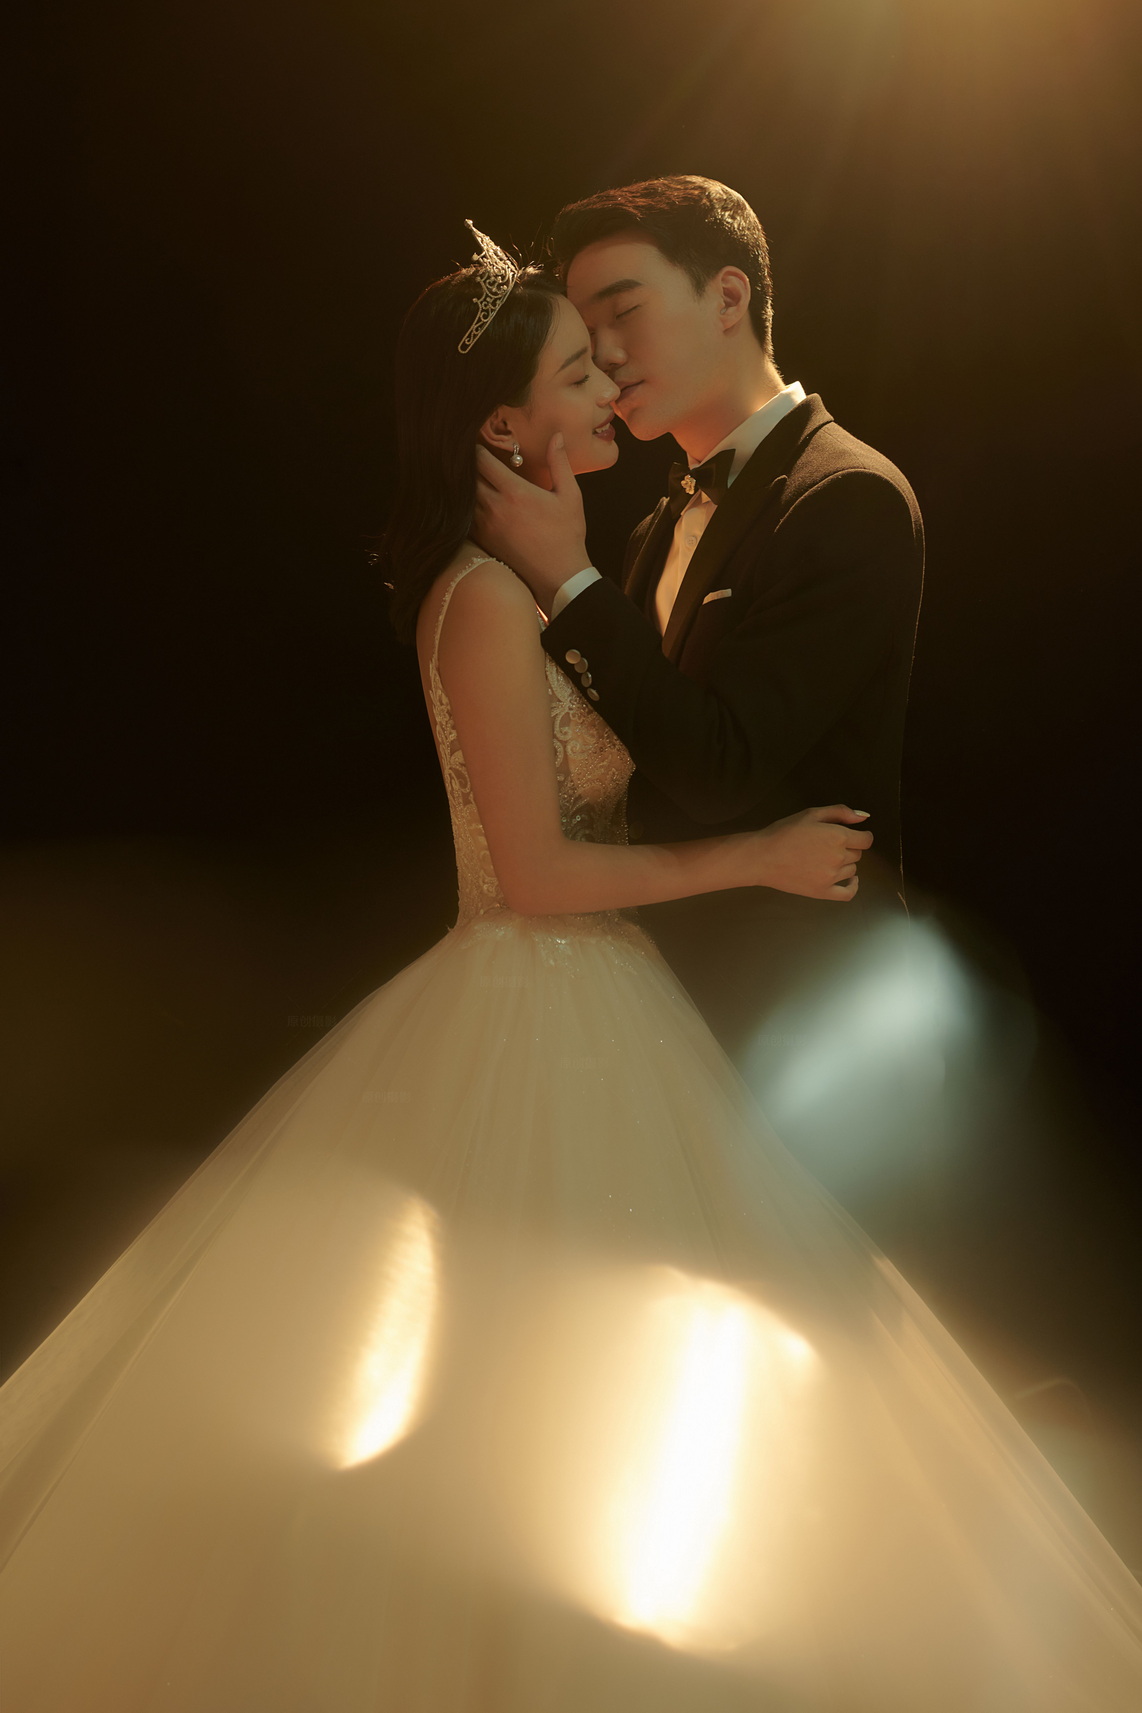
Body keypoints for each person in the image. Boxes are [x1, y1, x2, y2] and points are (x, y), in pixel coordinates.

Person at [0, 224, 1139, 1713]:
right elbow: (531, 875)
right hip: (544, 990)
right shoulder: (487, 598)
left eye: (609, 345)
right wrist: (752, 854)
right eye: (574, 366)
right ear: (500, 425)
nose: (606, 379)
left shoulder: (556, 578)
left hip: (615, 992)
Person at [474, 175, 925, 1070]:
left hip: (810, 1012)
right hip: (667, 1001)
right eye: (584, 334)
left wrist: (570, 581)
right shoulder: (654, 526)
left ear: (727, 297)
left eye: (623, 312)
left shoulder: (848, 497)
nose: (604, 355)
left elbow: (722, 772)